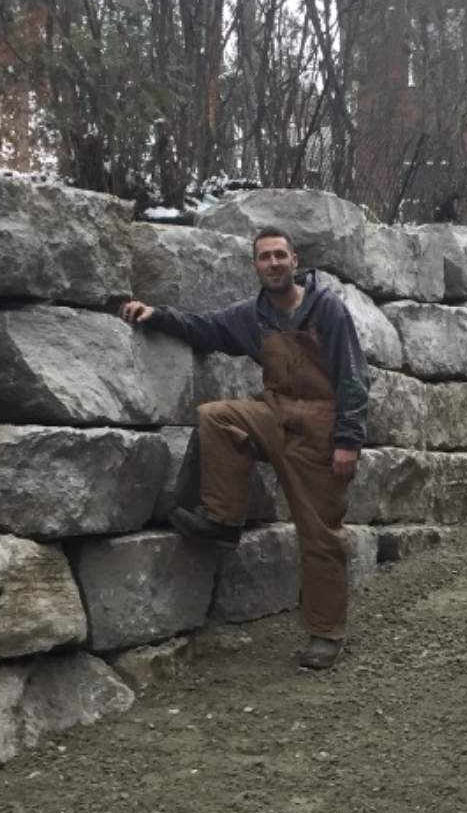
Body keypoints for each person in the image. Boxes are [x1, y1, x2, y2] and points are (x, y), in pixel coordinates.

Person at [120, 227, 370, 671]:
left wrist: (348, 440)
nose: (273, 264)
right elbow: (205, 328)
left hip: (319, 429)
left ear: (295, 260)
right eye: (263, 258)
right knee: (218, 416)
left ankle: (326, 633)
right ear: (255, 266)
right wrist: (155, 315)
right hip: (274, 415)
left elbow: (353, 377)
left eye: (280, 256)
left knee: (320, 536)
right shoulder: (251, 315)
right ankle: (222, 519)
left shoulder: (326, 308)